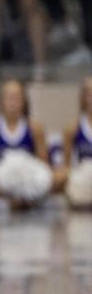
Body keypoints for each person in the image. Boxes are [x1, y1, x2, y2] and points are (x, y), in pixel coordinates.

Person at [0, 79, 54, 209]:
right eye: (9, 98)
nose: (13, 102)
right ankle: (18, 201)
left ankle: (16, 200)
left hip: (28, 181)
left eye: (17, 98)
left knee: (62, 176)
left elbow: (43, 167)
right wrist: (4, 178)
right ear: (1, 102)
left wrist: (27, 178)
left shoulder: (36, 128)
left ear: (24, 101)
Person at [56, 77, 92, 208]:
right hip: (82, 176)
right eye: (89, 95)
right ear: (83, 98)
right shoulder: (72, 128)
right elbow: (66, 166)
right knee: (60, 177)